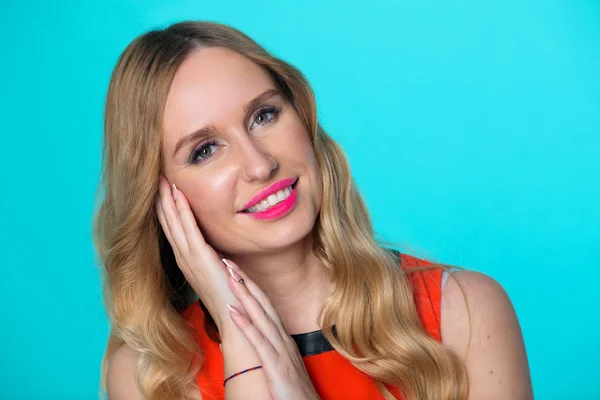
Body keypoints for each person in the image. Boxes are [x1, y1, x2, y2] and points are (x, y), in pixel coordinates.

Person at [94, 20, 533, 400]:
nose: (260, 164)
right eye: (205, 150)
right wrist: (244, 353)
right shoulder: (151, 376)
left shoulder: (464, 312)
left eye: (264, 116)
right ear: (159, 199)